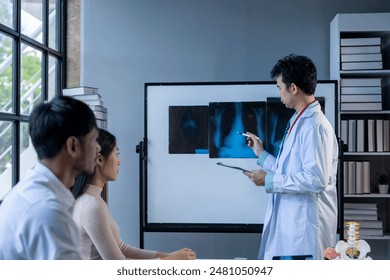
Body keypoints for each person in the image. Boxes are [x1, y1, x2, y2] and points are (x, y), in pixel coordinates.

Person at [243, 54, 338, 260]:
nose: (279, 94)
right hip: (292, 225)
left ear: (293, 88)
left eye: (279, 87)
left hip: (306, 230)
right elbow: (290, 171)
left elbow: (315, 179)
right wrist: (261, 153)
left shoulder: (314, 126)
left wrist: (268, 180)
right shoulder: (299, 120)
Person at [71, 128, 196, 260]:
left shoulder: (90, 200)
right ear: (100, 160)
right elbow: (119, 266)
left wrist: (169, 255)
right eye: (116, 154)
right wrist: (171, 260)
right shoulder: (92, 205)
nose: (119, 161)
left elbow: (121, 248)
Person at [0, 96, 100, 259]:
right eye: (94, 139)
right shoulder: (48, 212)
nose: (98, 147)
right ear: (72, 146)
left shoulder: (29, 192)